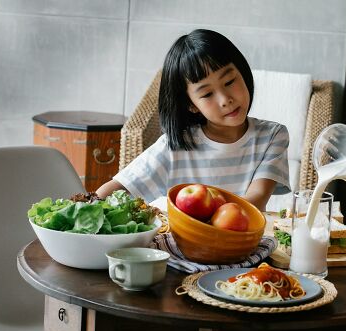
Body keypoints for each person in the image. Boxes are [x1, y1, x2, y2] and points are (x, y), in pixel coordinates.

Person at [96, 29, 290, 211]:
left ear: (243, 73)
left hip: (241, 244)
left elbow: (255, 200)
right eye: (207, 94)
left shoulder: (272, 136)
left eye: (230, 82)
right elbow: (114, 190)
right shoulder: (174, 147)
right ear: (191, 104)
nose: (225, 100)